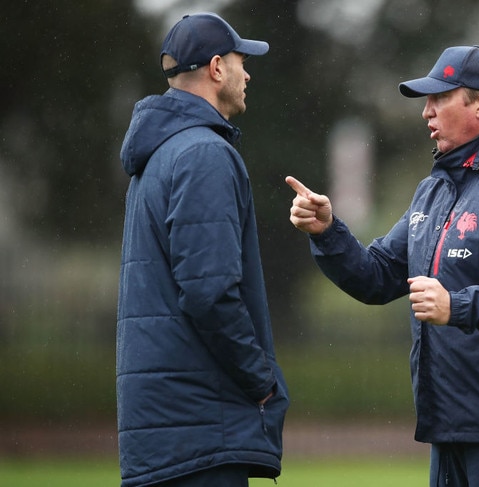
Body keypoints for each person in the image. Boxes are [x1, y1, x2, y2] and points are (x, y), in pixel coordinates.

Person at [286, 45, 479, 487]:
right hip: (450, 425)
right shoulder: (433, 191)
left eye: (440, 97)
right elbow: (378, 275)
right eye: (427, 100)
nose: (427, 112)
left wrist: (456, 306)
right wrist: (327, 232)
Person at [117, 13, 289, 487]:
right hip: (199, 432)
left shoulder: (160, 154)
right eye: (240, 61)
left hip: (167, 428)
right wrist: (262, 381)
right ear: (216, 68)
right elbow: (210, 292)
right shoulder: (203, 153)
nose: (247, 73)